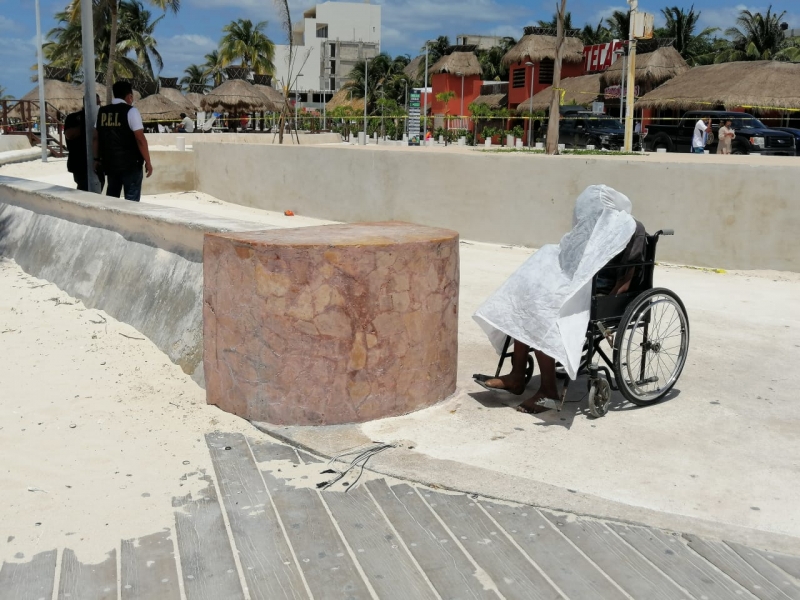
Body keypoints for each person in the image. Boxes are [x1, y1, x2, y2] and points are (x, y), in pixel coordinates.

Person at [472, 185, 644, 414]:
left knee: (546, 315)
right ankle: (516, 376)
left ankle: (549, 391)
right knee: (525, 299)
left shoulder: (629, 228)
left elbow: (627, 278)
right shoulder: (589, 227)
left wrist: (608, 303)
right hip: (575, 283)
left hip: (599, 294)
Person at [93, 81, 153, 202]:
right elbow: (140, 139)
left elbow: (95, 138)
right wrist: (148, 161)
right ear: (129, 96)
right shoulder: (131, 111)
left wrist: (96, 159)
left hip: (110, 163)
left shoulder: (102, 112)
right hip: (130, 164)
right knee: (131, 201)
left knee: (112, 198)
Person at [64, 94, 104, 192]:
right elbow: (69, 134)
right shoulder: (73, 117)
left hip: (98, 161)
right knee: (83, 188)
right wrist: (86, 124)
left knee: (100, 185)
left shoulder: (101, 117)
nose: (99, 105)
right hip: (79, 162)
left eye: (99, 103)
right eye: (97, 103)